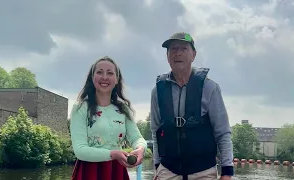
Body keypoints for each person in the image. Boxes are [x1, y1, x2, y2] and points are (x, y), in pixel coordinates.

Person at [150, 32, 234, 180]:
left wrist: (227, 172)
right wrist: (157, 166)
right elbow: (156, 131)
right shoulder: (157, 91)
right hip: (168, 170)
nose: (178, 53)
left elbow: (223, 133)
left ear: (193, 54)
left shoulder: (210, 88)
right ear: (167, 56)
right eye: (173, 49)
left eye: (183, 49)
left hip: (203, 172)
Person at [70, 56, 147, 180]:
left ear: (117, 79)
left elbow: (137, 138)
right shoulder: (80, 108)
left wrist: (141, 149)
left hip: (117, 171)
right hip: (89, 173)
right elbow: (80, 150)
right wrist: (113, 154)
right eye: (99, 72)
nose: (104, 77)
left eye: (110, 73)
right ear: (92, 77)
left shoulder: (123, 109)